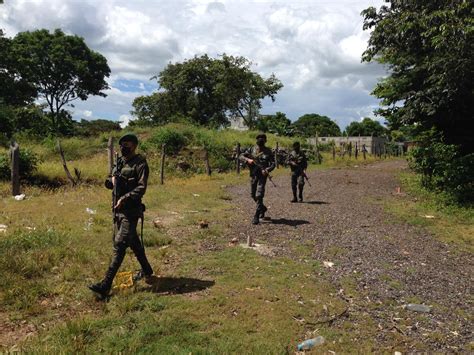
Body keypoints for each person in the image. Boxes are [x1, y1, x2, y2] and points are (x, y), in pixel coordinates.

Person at [89, 133, 153, 298]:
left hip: (131, 211)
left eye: (127, 144)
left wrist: (125, 198)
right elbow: (113, 182)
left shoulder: (140, 163)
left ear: (134, 146)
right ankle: (147, 270)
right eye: (122, 144)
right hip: (118, 211)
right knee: (134, 243)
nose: (123, 147)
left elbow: (141, 188)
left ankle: (105, 284)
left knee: (120, 244)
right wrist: (110, 182)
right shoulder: (119, 163)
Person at [239, 133, 276, 225]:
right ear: (256, 140)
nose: (261, 140)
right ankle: (262, 208)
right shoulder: (252, 149)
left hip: (262, 176)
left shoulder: (268, 151)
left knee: (259, 195)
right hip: (253, 175)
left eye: (263, 138)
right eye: (259, 138)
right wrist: (248, 160)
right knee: (253, 195)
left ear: (265, 140)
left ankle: (256, 215)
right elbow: (240, 156)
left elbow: (273, 164)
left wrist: (267, 169)